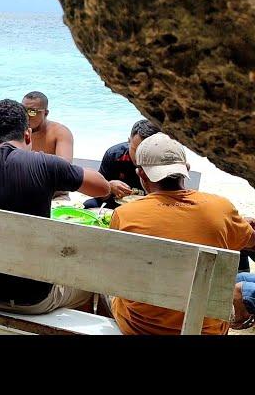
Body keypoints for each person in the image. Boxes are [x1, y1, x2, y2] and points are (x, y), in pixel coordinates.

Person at [0, 99, 110, 315]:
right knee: (88, 279)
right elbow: (103, 188)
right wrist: (58, 170)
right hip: (34, 299)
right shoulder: (47, 165)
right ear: (27, 135)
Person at [103, 132, 255, 335]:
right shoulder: (221, 208)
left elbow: (113, 270)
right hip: (206, 330)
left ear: (141, 174)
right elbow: (251, 242)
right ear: (187, 170)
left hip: (139, 327)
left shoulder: (125, 214)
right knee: (242, 277)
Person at [83, 119, 160, 209]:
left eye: (146, 152)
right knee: (88, 205)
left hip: (151, 206)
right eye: (136, 150)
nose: (140, 157)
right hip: (118, 203)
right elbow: (98, 193)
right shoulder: (114, 155)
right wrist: (109, 186)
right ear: (129, 141)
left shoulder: (164, 160)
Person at [22, 91, 74, 201]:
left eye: (32, 112)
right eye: (23, 110)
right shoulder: (17, 131)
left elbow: (64, 168)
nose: (26, 116)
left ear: (45, 113)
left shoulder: (60, 132)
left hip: (55, 194)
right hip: (24, 190)